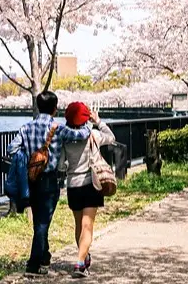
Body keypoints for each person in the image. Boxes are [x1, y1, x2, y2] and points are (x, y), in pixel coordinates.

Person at [7, 91, 92, 278]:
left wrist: (29, 159)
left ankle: (44, 257)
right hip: (49, 180)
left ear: (38, 106)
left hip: (31, 180)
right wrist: (90, 124)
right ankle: (34, 263)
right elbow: (79, 134)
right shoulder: (57, 128)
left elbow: (11, 148)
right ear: (55, 109)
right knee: (43, 223)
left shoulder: (26, 128)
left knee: (39, 221)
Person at [58, 102, 114, 278]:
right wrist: (98, 121)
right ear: (85, 119)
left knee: (78, 225)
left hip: (73, 186)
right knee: (87, 225)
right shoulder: (94, 135)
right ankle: (80, 264)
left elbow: (60, 165)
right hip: (91, 184)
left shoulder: (64, 141)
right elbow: (111, 137)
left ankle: (83, 256)